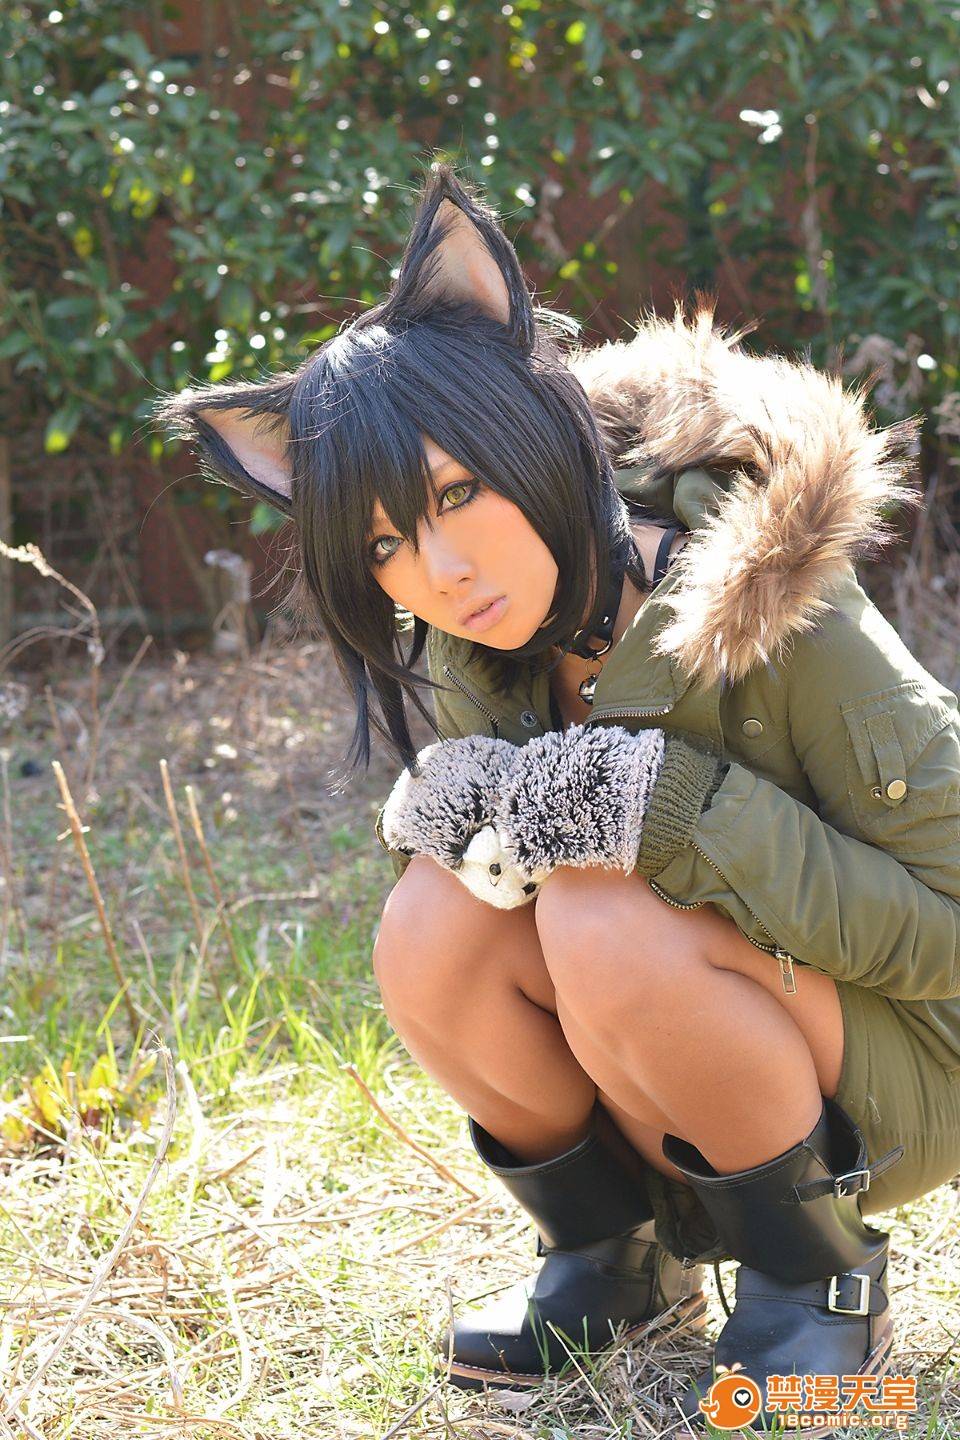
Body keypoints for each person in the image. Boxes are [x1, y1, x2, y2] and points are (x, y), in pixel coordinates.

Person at [153, 162, 960, 1432]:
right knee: (433, 922)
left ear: (525, 428)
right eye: (382, 544)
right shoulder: (479, 643)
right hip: (686, 1049)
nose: (439, 569)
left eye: (455, 494)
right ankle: (611, 1264)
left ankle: (818, 1280)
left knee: (599, 908)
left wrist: (679, 812)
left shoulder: (777, 602)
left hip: (902, 1065)